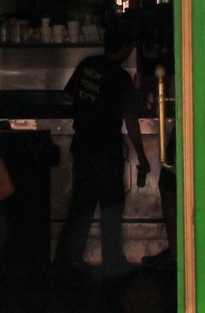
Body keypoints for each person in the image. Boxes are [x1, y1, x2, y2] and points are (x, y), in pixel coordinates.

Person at [54, 21, 150, 277]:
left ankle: (67, 259)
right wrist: (141, 156)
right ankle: (112, 262)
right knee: (111, 205)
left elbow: (68, 96)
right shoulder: (120, 78)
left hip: (83, 144)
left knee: (81, 204)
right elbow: (130, 120)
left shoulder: (88, 65)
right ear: (125, 48)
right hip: (106, 149)